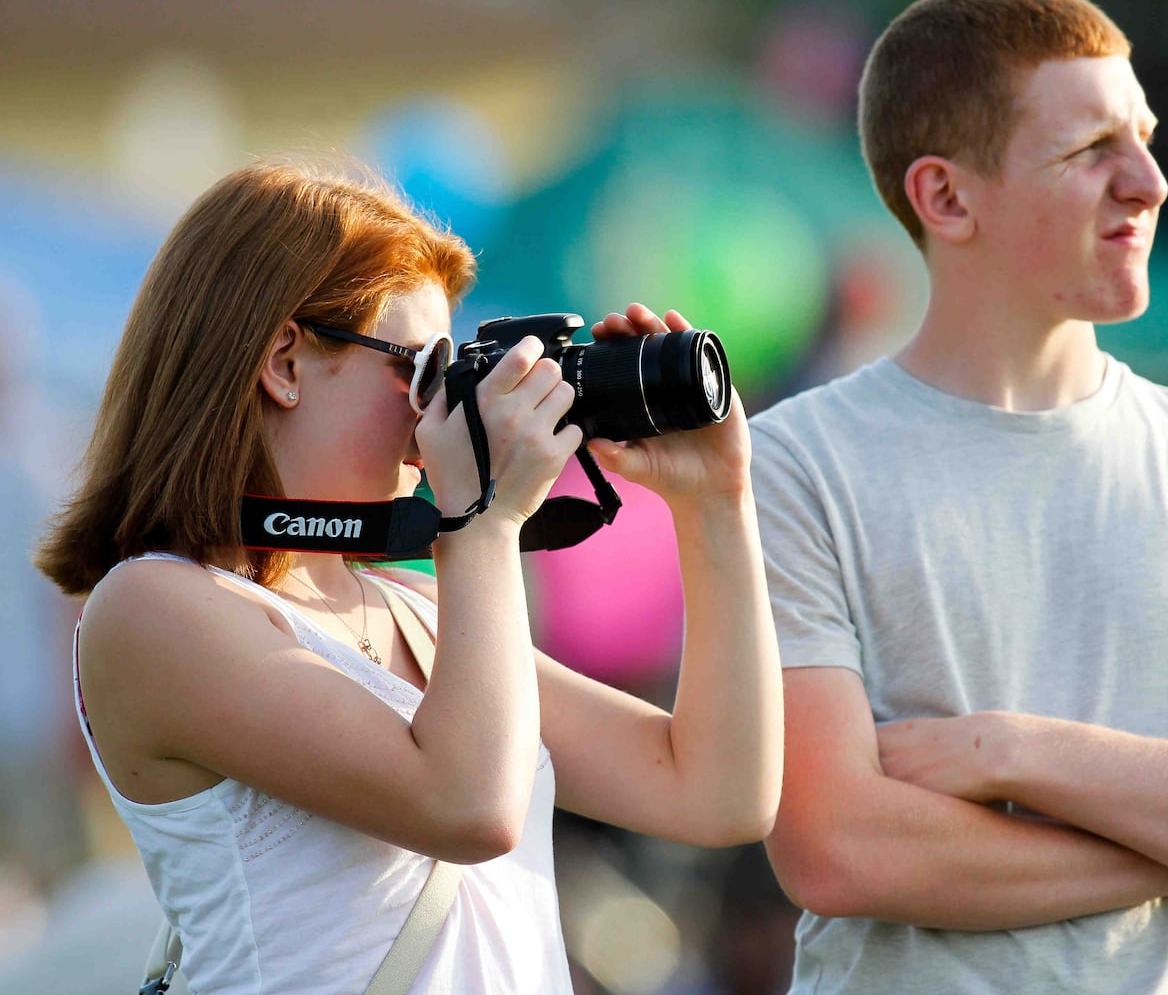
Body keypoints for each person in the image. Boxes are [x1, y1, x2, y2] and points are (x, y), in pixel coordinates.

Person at [747, 0, 1168, 991]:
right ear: (948, 199)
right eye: (1093, 148)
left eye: (1142, 137)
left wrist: (1009, 750)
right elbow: (842, 850)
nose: (1149, 181)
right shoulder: (795, 465)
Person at [33, 157, 782, 994]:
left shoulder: (422, 610)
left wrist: (718, 502)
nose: (440, 413)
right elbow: (467, 807)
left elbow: (717, 792)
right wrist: (484, 522)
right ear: (284, 362)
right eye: (424, 370)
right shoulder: (155, 609)